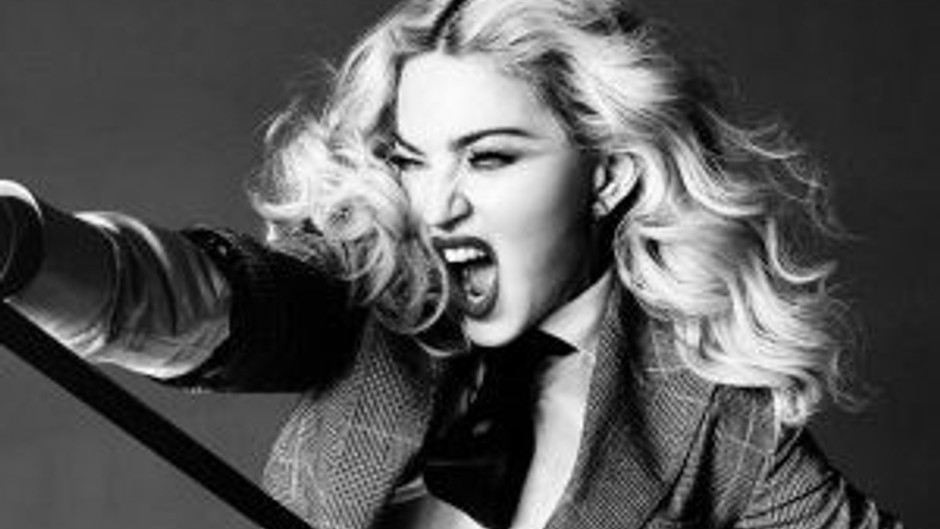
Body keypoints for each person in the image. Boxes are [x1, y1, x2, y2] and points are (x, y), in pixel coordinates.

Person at [0, 0, 902, 527]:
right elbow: (197, 301)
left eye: (489, 157)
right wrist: (24, 245)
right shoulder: (367, 294)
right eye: (411, 159)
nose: (437, 206)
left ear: (609, 175)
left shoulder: (714, 421)